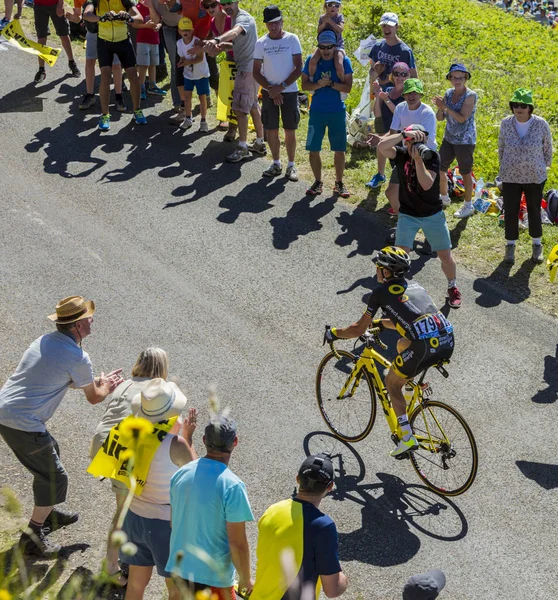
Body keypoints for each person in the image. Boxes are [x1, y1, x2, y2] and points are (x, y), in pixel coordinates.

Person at [0, 296, 124, 558]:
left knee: (51, 450)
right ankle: (33, 537)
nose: (92, 321)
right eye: (89, 317)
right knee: (55, 476)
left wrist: (92, 379)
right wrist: (106, 386)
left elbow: (53, 375)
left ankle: (47, 513)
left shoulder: (43, 341)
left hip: (7, 412)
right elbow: (94, 398)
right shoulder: (78, 356)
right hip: (23, 422)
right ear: (78, 325)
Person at [325, 246, 455, 457]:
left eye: (378, 267)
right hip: (446, 339)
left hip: (423, 346)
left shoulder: (379, 293)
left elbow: (358, 330)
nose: (376, 270)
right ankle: (411, 389)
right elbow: (409, 319)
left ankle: (406, 437)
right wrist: (381, 324)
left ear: (386, 272)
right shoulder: (415, 285)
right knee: (402, 345)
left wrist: (334, 333)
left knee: (391, 382)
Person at [88, 347, 170, 584]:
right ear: (161, 367)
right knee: (123, 512)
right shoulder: (158, 390)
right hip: (122, 449)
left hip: (102, 443)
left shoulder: (125, 383)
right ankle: (111, 568)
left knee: (128, 507)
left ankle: (124, 556)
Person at [117, 379, 197, 600]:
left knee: (135, 585)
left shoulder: (131, 435)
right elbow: (195, 476)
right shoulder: (176, 444)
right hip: (165, 524)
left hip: (134, 516)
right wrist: (187, 438)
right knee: (176, 589)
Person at [166, 413, 254, 600]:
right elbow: (237, 544)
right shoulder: (232, 486)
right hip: (213, 579)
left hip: (179, 571)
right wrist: (245, 578)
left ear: (205, 440)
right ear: (235, 442)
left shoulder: (181, 474)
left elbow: (174, 523)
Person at [377, 125, 462, 308]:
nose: (415, 144)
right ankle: (397, 292)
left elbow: (426, 184)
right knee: (400, 256)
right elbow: (381, 147)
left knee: (445, 255)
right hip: (408, 214)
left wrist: (417, 160)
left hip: (432, 214)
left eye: (419, 140)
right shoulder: (400, 154)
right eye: (411, 140)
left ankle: (452, 286)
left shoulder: (431, 156)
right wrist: (402, 135)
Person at [250, 453, 348, 600]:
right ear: (330, 487)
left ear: (297, 479)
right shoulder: (323, 527)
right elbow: (332, 589)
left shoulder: (273, 510)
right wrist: (344, 580)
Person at [201, 0, 266, 163]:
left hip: (246, 70)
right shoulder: (237, 17)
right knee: (251, 106)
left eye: (230, 2)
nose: (227, 6)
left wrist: (216, 41)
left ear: (237, 2)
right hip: (251, 68)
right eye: (224, 3)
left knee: (240, 110)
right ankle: (260, 143)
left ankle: (242, 147)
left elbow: (236, 32)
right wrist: (221, 47)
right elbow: (237, 44)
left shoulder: (242, 19)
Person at [498, 88, 553, 265]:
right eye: (515, 105)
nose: (518, 108)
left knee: (534, 211)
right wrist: (504, 165)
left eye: (522, 105)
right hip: (510, 176)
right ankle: (510, 247)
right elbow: (501, 146)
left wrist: (543, 165)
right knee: (511, 211)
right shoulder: (506, 123)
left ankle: (537, 245)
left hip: (534, 176)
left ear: (530, 107)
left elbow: (548, 147)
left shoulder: (541, 124)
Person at [253, 4, 302, 181]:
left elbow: (298, 67)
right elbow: (256, 72)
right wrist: (271, 90)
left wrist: (280, 87)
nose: (273, 26)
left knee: (290, 130)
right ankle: (276, 162)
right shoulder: (261, 43)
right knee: (271, 129)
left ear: (281, 21)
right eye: (269, 23)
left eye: (276, 22)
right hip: (268, 92)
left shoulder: (292, 39)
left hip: (288, 92)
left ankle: (291, 165)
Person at [301, 30, 353, 198]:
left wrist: (330, 83)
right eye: (322, 47)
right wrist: (318, 84)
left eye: (329, 47)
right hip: (316, 112)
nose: (325, 50)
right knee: (313, 149)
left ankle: (339, 182)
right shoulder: (311, 61)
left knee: (339, 149)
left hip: (337, 111)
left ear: (334, 46)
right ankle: (317, 182)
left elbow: (348, 87)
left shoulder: (344, 61)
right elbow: (305, 86)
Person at [83, 0, 147, 130]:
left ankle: (137, 110)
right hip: (104, 42)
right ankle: (105, 114)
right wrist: (101, 18)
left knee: (133, 77)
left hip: (123, 41)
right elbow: (86, 14)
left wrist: (129, 17)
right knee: (105, 77)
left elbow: (139, 18)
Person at [384, 78, 437, 216]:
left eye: (415, 93)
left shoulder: (428, 113)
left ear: (421, 95)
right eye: (408, 93)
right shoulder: (400, 108)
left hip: (425, 156)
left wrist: (406, 136)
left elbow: (425, 138)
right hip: (405, 154)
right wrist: (385, 141)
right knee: (390, 192)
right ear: (404, 95)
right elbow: (393, 132)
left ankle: (417, 222)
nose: (412, 96)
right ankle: (402, 219)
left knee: (420, 195)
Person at [433, 63, 478, 217]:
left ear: (465, 78)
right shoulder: (448, 93)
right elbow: (439, 118)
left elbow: (462, 118)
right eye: (454, 77)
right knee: (440, 167)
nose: (457, 80)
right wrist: (440, 108)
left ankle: (468, 206)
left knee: (465, 172)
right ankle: (444, 198)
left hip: (465, 140)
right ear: (450, 78)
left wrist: (445, 107)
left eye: (460, 77)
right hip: (449, 138)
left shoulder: (471, 95)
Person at [67, 0, 125, 111]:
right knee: (89, 62)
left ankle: (119, 96)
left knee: (116, 65)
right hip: (93, 32)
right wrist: (74, 18)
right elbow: (80, 16)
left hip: (111, 31)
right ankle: (90, 95)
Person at [365, 61, 410, 193]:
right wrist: (378, 96)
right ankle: (380, 175)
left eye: (404, 74)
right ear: (392, 76)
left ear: (408, 76)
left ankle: (400, 181)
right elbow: (377, 113)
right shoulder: (389, 90)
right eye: (397, 73)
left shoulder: (408, 94)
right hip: (385, 123)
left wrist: (387, 100)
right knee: (381, 146)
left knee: (396, 156)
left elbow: (400, 115)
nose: (400, 77)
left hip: (400, 129)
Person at [205, 0, 237, 138]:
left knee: (246, 95)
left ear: (219, 5)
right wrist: (210, 50)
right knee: (231, 93)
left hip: (244, 59)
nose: (210, 8)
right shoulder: (212, 21)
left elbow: (240, 42)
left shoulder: (231, 19)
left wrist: (219, 48)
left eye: (212, 4)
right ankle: (232, 128)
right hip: (230, 58)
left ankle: (263, 131)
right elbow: (213, 41)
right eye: (206, 6)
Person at [32, 0, 81, 83]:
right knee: (41, 37)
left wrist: (60, 4)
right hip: (39, 6)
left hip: (55, 4)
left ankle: (72, 62)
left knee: (64, 35)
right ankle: (41, 69)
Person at [176, 16, 211, 132]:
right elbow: (182, 57)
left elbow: (200, 58)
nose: (185, 32)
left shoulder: (197, 42)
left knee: (202, 97)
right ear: (179, 31)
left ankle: (203, 121)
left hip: (201, 74)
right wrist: (181, 63)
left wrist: (188, 62)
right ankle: (188, 118)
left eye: (188, 30)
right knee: (187, 96)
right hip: (188, 75)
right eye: (183, 30)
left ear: (192, 30)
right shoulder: (179, 43)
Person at [368, 12, 417, 91]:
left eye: (390, 26)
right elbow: (371, 71)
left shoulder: (405, 51)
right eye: (384, 26)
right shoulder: (377, 47)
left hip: (397, 95)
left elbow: (413, 76)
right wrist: (376, 73)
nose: (386, 28)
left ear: (397, 27)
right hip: (379, 93)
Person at [134, 0, 167, 100]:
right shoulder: (137, 7)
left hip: (154, 40)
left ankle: (152, 86)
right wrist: (146, 25)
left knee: (153, 64)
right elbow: (134, 25)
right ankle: (141, 87)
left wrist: (151, 7)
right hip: (142, 40)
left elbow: (158, 21)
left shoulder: (155, 5)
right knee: (143, 65)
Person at [307, 0, 345, 84]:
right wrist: (324, 22)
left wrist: (330, 21)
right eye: (330, 5)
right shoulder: (322, 18)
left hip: (337, 45)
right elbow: (318, 31)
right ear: (325, 7)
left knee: (338, 64)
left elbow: (340, 29)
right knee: (313, 60)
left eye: (336, 5)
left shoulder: (339, 17)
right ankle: (311, 79)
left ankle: (342, 83)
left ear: (339, 8)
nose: (333, 7)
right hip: (323, 45)